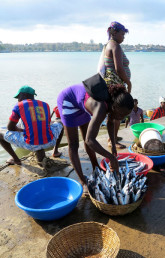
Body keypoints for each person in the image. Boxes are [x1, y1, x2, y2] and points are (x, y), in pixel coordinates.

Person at [57, 82, 134, 193]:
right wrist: (111, 158)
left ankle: (95, 167)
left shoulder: (113, 103)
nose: (122, 118)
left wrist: (113, 145)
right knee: (74, 145)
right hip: (68, 100)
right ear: (114, 107)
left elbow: (111, 122)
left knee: (86, 135)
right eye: (121, 114)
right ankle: (83, 181)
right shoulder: (101, 108)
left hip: (81, 102)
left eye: (125, 116)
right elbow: (90, 140)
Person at [0, 85, 63, 165]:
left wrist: (20, 130)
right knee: (60, 122)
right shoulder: (45, 104)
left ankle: (16, 160)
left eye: (19, 97)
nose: (18, 100)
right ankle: (55, 151)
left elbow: (10, 127)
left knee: (0, 133)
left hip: (31, 144)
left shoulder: (19, 105)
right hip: (50, 141)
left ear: (24, 95)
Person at [103, 21, 132, 149]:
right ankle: (112, 140)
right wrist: (128, 82)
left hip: (112, 83)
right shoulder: (115, 46)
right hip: (116, 84)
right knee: (117, 113)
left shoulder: (108, 45)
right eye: (122, 34)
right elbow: (119, 69)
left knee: (114, 113)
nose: (123, 37)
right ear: (114, 33)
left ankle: (113, 136)